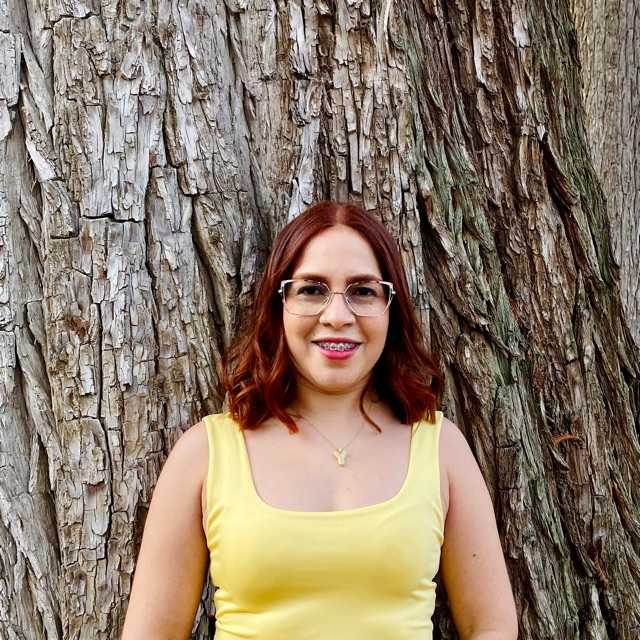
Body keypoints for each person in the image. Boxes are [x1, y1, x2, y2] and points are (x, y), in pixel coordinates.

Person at [121, 201, 518, 639]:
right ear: (279, 304)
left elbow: (492, 626)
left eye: (362, 291)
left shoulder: (441, 448)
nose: (337, 316)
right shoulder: (205, 454)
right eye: (312, 290)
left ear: (391, 307)